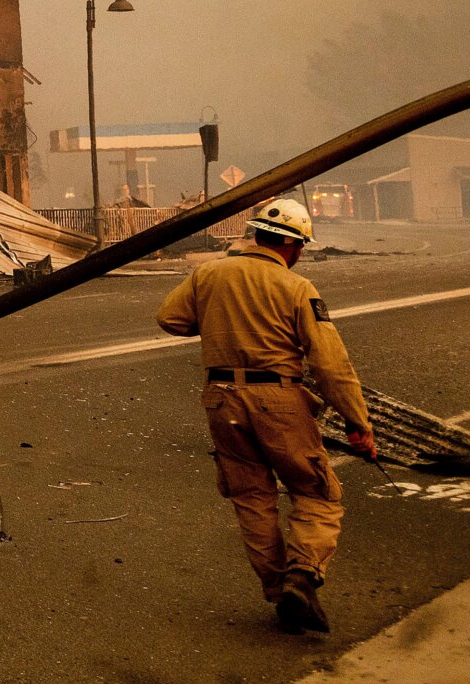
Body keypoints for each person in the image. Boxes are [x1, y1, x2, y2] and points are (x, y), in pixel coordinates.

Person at [156, 197, 374, 635]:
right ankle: (302, 575)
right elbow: (330, 366)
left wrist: (221, 320)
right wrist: (358, 423)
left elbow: (170, 319)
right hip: (277, 400)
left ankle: (279, 592)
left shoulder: (210, 273)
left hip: (220, 399)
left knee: (252, 498)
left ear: (257, 234)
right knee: (317, 494)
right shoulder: (296, 288)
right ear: (294, 247)